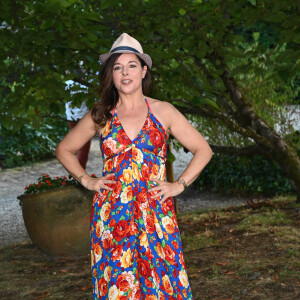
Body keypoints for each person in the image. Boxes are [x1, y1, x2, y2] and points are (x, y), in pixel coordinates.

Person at [56, 33, 213, 299]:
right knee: (119, 284)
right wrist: (87, 180)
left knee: (163, 282)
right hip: (112, 215)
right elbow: (64, 149)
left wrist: (179, 185)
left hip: (155, 213)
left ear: (143, 71)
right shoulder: (102, 114)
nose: (125, 72)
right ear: (111, 75)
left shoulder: (164, 111)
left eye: (131, 65)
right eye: (117, 67)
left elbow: (203, 150)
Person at [65, 100, 91, 169]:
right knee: (83, 148)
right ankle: (79, 176)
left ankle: (76, 175)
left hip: (71, 117)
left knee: (78, 146)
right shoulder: (90, 88)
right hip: (84, 117)